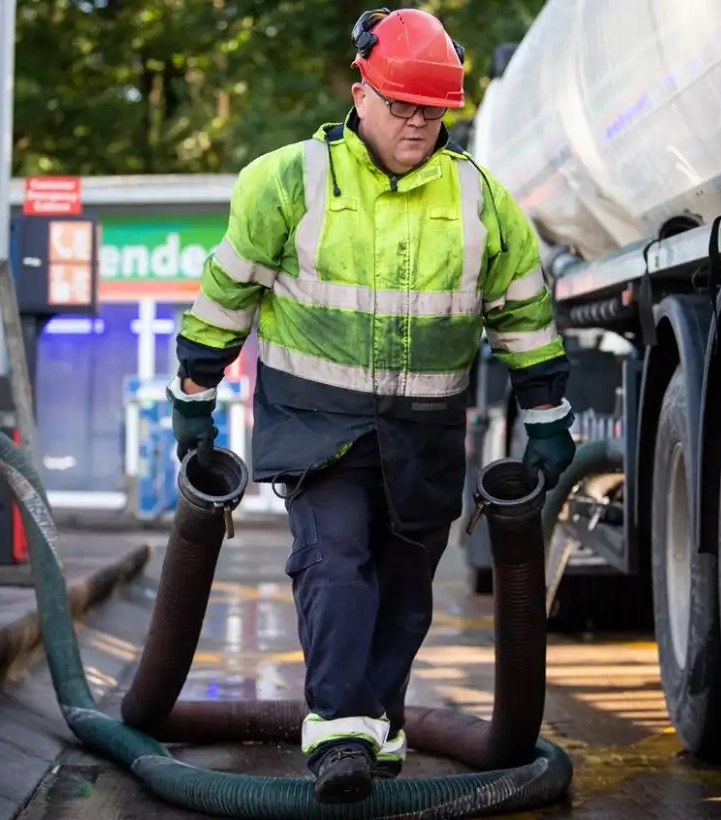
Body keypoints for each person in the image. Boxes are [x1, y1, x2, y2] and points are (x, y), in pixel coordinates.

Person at [167, 7, 575, 804]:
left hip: (422, 434)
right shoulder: (288, 181)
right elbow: (225, 298)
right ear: (361, 91)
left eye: (434, 109)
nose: (418, 124)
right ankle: (339, 727)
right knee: (335, 562)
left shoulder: (481, 201)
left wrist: (550, 417)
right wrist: (194, 395)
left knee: (407, 587)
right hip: (319, 430)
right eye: (401, 106)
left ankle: (377, 726)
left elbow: (522, 316)